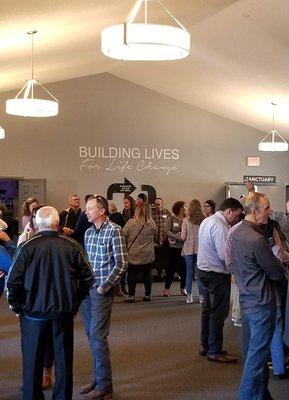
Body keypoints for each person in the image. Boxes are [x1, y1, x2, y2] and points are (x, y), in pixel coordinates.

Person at [7, 206, 94, 400]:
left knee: (32, 364)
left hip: (32, 314)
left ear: (37, 224)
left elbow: (13, 281)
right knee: (63, 363)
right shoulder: (72, 245)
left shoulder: (26, 247)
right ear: (58, 223)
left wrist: (17, 306)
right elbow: (89, 278)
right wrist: (75, 302)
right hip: (63, 313)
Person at [230, 193, 285, 399]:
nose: (270, 212)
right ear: (254, 211)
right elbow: (275, 272)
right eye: (267, 208)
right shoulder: (256, 239)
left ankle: (262, 396)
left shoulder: (237, 232)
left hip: (248, 299)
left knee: (256, 357)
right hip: (261, 302)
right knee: (256, 359)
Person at [81, 195, 128, 400]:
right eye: (86, 208)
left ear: (102, 210)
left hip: (101, 291)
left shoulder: (115, 230)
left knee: (98, 337)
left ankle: (105, 386)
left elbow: (122, 264)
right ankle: (98, 378)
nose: (86, 211)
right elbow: (87, 262)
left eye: (90, 208)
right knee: (92, 337)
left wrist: (104, 287)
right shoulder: (88, 233)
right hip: (87, 292)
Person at [197, 197, 243, 363]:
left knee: (207, 311)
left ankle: (205, 345)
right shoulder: (221, 227)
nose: (236, 219)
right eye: (236, 215)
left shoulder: (207, 220)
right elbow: (225, 256)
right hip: (216, 274)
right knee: (218, 313)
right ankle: (215, 350)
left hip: (203, 271)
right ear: (229, 211)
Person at [123, 202, 157, 302]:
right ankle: (148, 295)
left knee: (132, 273)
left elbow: (123, 235)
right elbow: (155, 236)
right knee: (147, 274)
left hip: (134, 252)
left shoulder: (131, 222)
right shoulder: (152, 223)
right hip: (148, 252)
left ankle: (131, 295)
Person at [181, 199, 205, 304]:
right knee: (199, 273)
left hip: (188, 248)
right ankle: (201, 297)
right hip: (200, 249)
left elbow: (183, 237)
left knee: (189, 273)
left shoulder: (186, 220)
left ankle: (189, 296)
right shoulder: (204, 219)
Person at [163, 201, 187, 297]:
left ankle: (183, 288)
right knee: (171, 268)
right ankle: (166, 289)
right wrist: (177, 237)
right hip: (173, 247)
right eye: (183, 207)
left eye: (185, 206)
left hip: (184, 248)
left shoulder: (186, 219)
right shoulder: (171, 219)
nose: (185, 208)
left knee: (184, 269)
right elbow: (166, 231)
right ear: (178, 208)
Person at [151, 197, 171, 277]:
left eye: (158, 204)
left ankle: (163, 271)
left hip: (165, 238)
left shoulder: (167, 212)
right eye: (155, 204)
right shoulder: (151, 213)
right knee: (156, 255)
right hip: (155, 237)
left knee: (164, 255)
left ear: (162, 204)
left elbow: (170, 223)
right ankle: (158, 271)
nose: (156, 206)